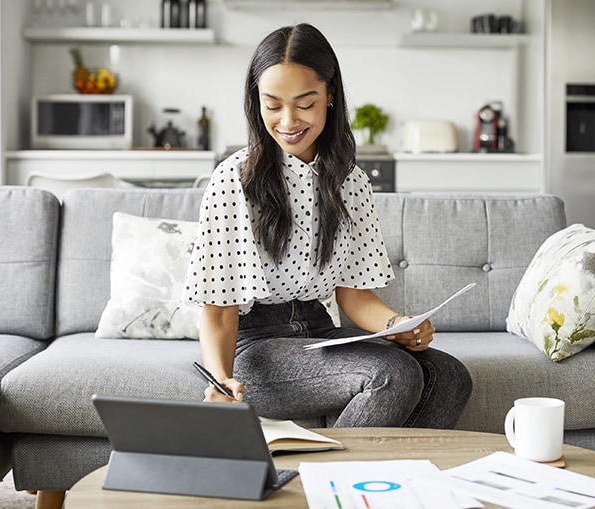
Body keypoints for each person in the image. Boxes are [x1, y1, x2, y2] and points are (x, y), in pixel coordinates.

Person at [182, 23, 472, 429]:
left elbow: (353, 294)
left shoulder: (349, 180)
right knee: (391, 373)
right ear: (256, 102)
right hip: (257, 346)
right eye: (273, 104)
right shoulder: (234, 179)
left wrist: (397, 327)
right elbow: (218, 311)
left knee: (450, 375)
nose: (288, 120)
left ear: (330, 96)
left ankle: (390, 482)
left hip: (320, 331)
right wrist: (222, 381)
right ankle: (333, 485)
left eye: (305, 103)